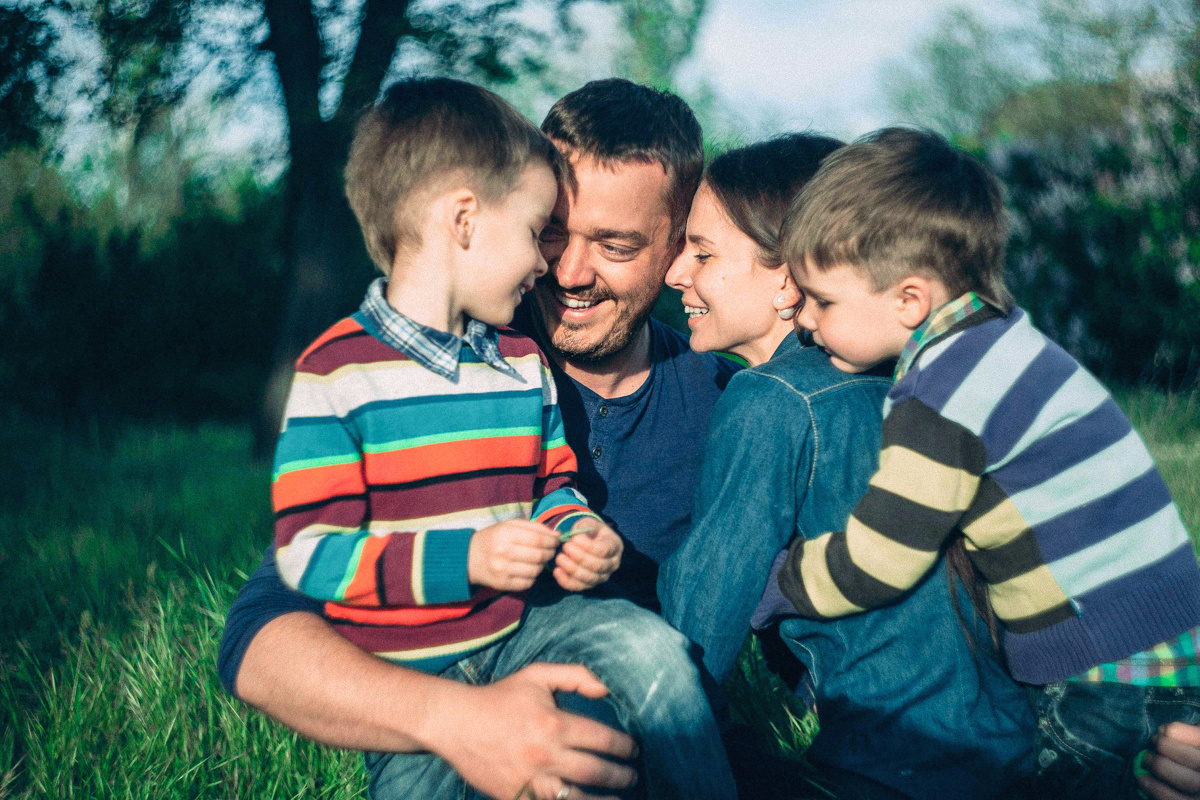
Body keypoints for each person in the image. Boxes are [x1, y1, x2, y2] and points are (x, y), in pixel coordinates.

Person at [218, 77, 736, 800]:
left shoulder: (723, 408)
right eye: (549, 232)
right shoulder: (445, 369)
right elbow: (262, 641)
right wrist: (464, 722)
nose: (567, 271)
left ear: (677, 247)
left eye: (615, 244)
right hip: (442, 695)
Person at [761, 126, 1200, 798]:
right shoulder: (1009, 344)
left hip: (1098, 671)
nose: (805, 322)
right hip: (1167, 648)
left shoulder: (940, 393)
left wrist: (782, 581)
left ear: (909, 299)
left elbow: (883, 559)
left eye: (822, 300)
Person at [658, 133, 1037, 799]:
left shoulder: (771, 398)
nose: (675, 274)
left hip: (885, 776)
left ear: (786, 277)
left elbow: (687, 655)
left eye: (703, 252)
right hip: (1016, 759)